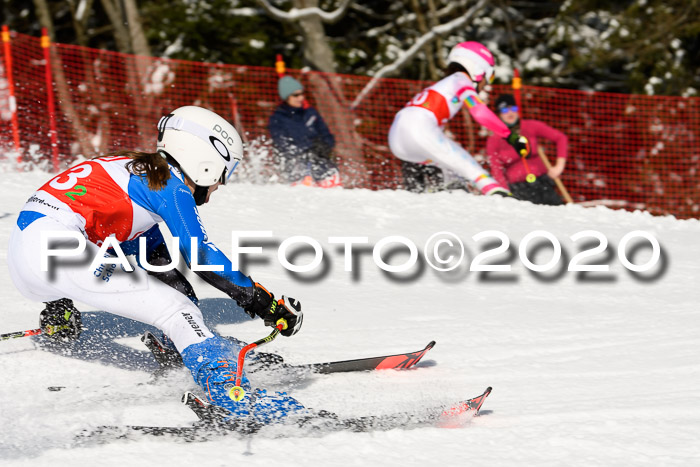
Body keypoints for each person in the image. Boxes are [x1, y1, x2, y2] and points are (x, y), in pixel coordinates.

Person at [7, 106, 307, 425]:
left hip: (26, 262)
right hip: (56, 250)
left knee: (174, 304)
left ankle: (178, 349)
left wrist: (58, 304)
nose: (221, 184)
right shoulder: (170, 187)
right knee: (176, 311)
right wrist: (264, 302)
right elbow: (201, 256)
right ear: (205, 161)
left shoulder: (133, 170)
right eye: (223, 173)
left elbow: (160, 267)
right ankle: (233, 399)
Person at [388, 41, 530, 197]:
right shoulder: (462, 81)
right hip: (419, 130)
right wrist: (510, 136)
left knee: (448, 178)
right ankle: (495, 192)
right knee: (469, 168)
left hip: (397, 138)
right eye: (488, 77)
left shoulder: (442, 85)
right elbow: (480, 112)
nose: (485, 85)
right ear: (478, 69)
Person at [486, 93, 568, 205]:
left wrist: (559, 166)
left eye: (513, 108)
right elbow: (496, 168)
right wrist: (505, 193)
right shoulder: (495, 139)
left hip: (543, 183)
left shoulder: (531, 126)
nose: (510, 113)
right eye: (505, 110)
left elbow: (560, 138)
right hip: (519, 189)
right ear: (499, 114)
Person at [268, 76, 341, 188]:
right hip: (296, 165)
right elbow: (281, 143)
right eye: (296, 95)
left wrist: (324, 145)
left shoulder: (310, 113)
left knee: (329, 179)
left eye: (302, 94)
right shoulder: (278, 119)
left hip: (320, 161)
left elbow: (327, 135)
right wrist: (307, 149)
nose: (300, 98)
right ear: (286, 97)